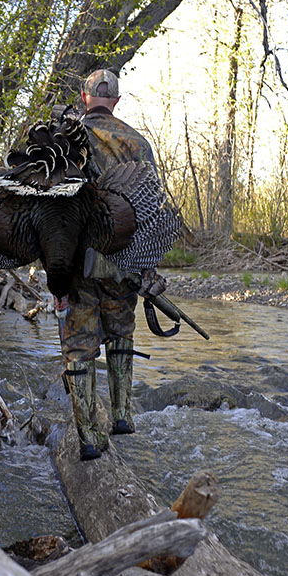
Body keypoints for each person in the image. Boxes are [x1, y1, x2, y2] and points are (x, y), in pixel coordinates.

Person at [60, 69, 166, 461]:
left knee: (79, 346)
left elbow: (51, 212)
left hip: (77, 265)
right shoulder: (138, 143)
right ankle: (121, 416)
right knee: (121, 331)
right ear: (117, 101)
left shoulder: (65, 140)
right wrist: (149, 269)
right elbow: (153, 211)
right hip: (124, 261)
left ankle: (88, 435)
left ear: (85, 98)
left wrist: (56, 277)